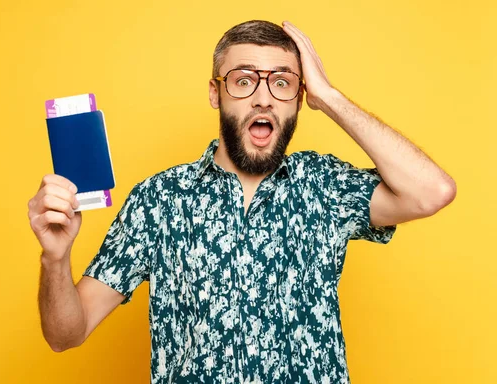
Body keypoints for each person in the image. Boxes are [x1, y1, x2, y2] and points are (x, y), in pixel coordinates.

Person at [28, 20, 456, 383]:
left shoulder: (325, 187)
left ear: (299, 99)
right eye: (244, 80)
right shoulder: (158, 201)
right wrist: (55, 257)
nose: (264, 97)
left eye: (283, 82)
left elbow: (431, 192)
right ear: (216, 94)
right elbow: (66, 333)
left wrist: (329, 96)